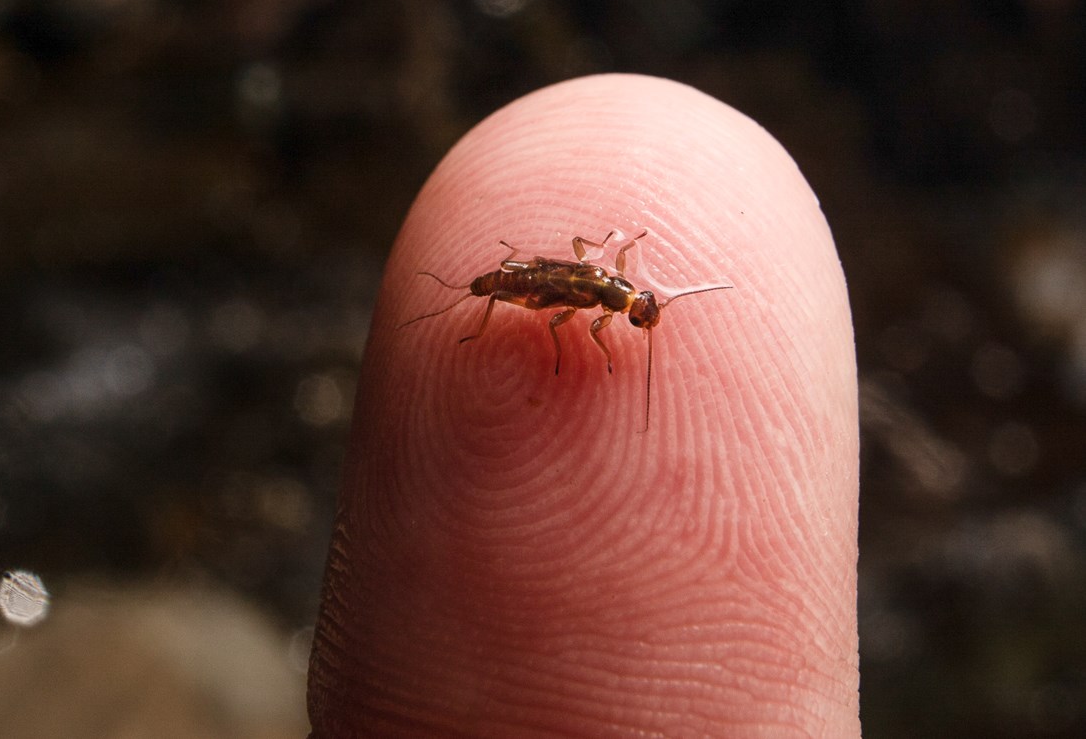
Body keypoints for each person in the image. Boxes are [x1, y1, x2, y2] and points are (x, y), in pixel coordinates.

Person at [307, 74, 860, 737]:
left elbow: (603, 260)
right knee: (544, 325)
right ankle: (479, 312)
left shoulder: (609, 282)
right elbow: (586, 318)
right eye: (639, 310)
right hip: (532, 282)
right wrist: (584, 350)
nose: (635, 316)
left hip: (538, 274)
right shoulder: (604, 299)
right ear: (633, 299)